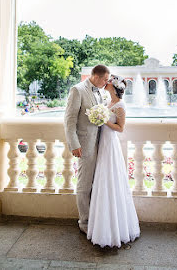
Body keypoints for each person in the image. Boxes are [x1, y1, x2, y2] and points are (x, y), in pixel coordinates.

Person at [87, 75, 140, 248]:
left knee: (111, 179)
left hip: (111, 144)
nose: (106, 83)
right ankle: (102, 226)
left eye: (109, 82)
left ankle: (116, 229)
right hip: (103, 143)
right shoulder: (107, 102)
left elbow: (121, 128)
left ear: (115, 87)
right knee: (101, 179)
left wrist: (104, 121)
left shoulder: (120, 106)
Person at [64, 64, 110, 234]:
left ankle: (96, 218)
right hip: (85, 145)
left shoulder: (102, 91)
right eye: (105, 79)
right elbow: (69, 120)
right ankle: (85, 222)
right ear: (96, 77)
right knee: (84, 184)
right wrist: (74, 144)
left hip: (102, 143)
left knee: (97, 182)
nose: (107, 82)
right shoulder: (77, 90)